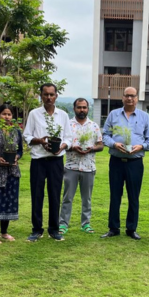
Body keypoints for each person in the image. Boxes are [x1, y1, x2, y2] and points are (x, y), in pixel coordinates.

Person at [101, 87, 149, 240]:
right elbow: (105, 135)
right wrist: (114, 144)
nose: (130, 98)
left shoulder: (145, 117)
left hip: (135, 163)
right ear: (122, 98)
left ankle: (131, 229)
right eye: (127, 96)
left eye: (133, 96)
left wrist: (141, 146)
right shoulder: (113, 115)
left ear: (137, 98)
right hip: (116, 161)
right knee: (115, 195)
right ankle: (113, 228)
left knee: (133, 196)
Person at [23, 83, 72, 242]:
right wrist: (40, 141)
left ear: (56, 95)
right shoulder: (34, 114)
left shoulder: (63, 115)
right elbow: (27, 136)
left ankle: (54, 229)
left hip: (56, 161)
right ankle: (37, 229)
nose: (49, 97)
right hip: (38, 160)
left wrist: (62, 146)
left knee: (55, 195)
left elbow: (68, 138)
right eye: (46, 94)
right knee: (37, 195)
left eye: (52, 94)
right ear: (41, 96)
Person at [58, 98, 103, 235]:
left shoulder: (94, 126)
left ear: (88, 109)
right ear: (74, 109)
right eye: (79, 107)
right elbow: (62, 144)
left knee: (87, 198)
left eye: (84, 107)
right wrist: (72, 147)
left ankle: (86, 223)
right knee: (67, 197)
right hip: (71, 166)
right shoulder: (68, 125)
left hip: (89, 167)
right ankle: (63, 224)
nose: (82, 110)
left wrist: (92, 148)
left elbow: (101, 145)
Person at [0, 104, 23, 244]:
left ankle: (4, 232)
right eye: (4, 114)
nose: (7, 117)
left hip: (12, 171)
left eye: (9, 114)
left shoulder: (16, 131)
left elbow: (20, 151)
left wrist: (16, 158)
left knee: (9, 200)